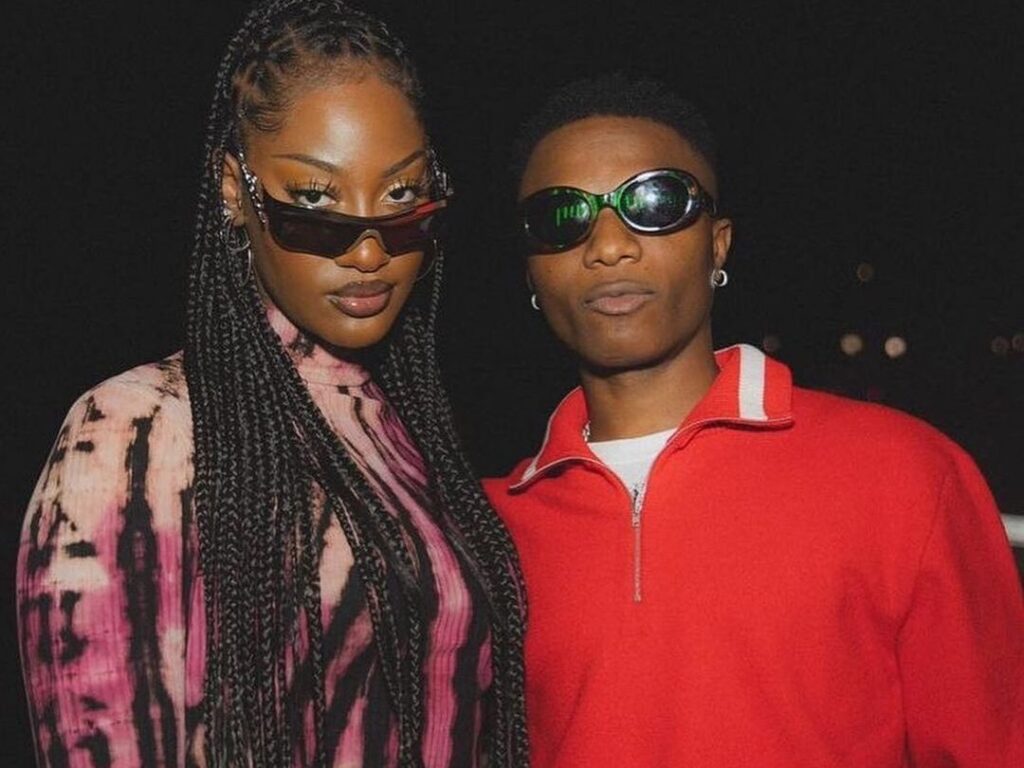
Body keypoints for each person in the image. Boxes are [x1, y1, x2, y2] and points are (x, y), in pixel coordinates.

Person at [16, 2, 528, 766]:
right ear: (235, 190)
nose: (367, 251)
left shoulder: (410, 435)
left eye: (400, 197)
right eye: (315, 201)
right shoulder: (138, 433)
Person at [484, 74, 1023, 767]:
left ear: (718, 244)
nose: (610, 245)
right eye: (562, 217)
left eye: (655, 202)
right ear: (531, 272)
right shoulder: (482, 531)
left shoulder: (904, 474)